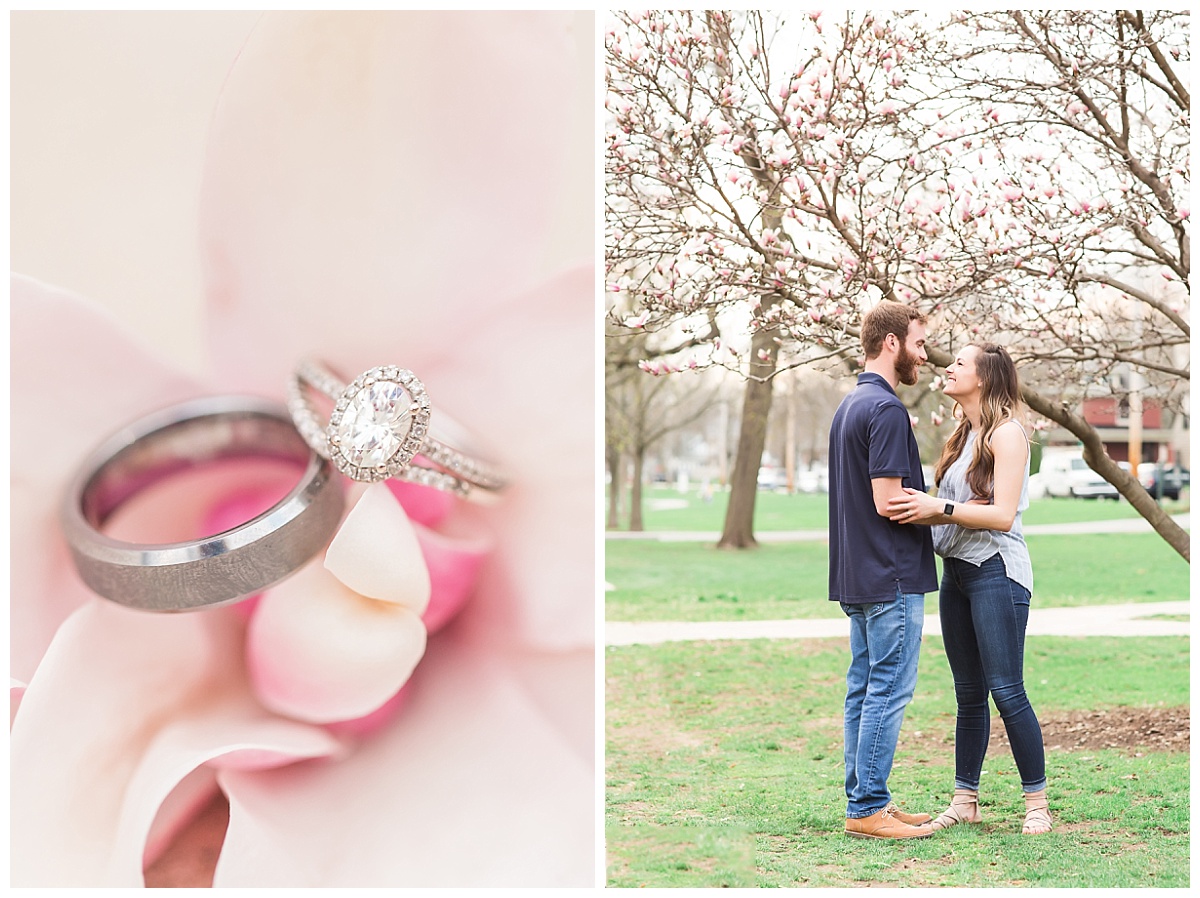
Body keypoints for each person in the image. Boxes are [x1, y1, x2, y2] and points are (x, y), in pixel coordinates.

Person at [886, 342, 1052, 835]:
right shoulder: (963, 437)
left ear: (985, 377)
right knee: (968, 695)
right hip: (957, 574)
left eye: (960, 362)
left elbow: (1002, 516)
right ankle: (965, 800)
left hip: (997, 571)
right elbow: (945, 512)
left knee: (1007, 689)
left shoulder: (1008, 435)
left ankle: (1037, 804)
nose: (949, 366)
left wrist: (939, 508)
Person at [828, 300, 938, 840]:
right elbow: (888, 500)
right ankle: (868, 806)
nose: (924, 354)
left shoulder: (849, 406)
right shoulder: (888, 410)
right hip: (891, 575)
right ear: (892, 342)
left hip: (857, 574)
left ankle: (870, 798)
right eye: (919, 343)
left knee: (864, 688)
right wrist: (943, 507)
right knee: (888, 688)